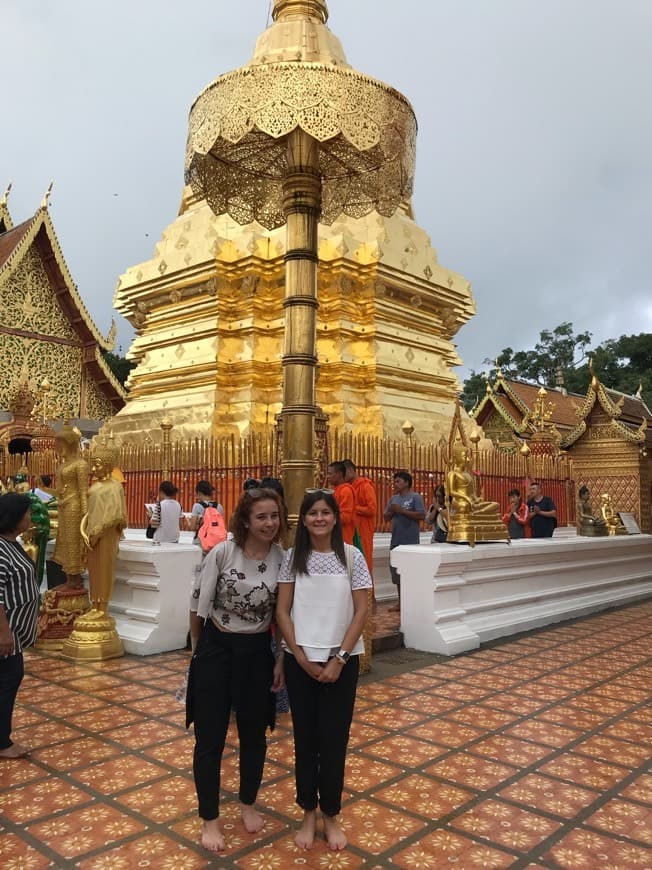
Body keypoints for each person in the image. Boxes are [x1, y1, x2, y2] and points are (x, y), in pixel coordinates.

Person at [188, 488, 286, 853]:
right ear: (245, 519)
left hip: (258, 651)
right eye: (261, 516)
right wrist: (198, 654)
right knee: (210, 736)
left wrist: (280, 658)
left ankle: (247, 803)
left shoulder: (282, 559)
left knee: (254, 734)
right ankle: (210, 818)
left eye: (274, 516)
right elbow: (198, 602)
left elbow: (284, 613)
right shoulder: (222, 553)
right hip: (217, 647)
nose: (269, 523)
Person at [276, 490, 371, 852]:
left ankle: (331, 813)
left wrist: (340, 658)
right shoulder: (291, 559)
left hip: (340, 663)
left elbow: (361, 610)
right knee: (306, 740)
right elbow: (283, 611)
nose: (319, 519)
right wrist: (298, 656)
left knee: (334, 741)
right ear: (303, 519)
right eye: (312, 513)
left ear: (335, 517)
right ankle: (307, 813)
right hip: (302, 662)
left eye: (325, 513)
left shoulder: (351, 556)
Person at [0, 493, 39, 759]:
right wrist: (3, 631)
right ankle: (2, 742)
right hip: (6, 633)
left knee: (8, 679)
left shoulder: (13, 544)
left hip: (14, 632)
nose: (30, 517)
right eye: (26, 513)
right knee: (9, 679)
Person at [384, 471, 425, 612]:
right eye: (394, 481)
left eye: (398, 481)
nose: (395, 484)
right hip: (396, 541)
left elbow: (421, 515)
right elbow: (386, 517)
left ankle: (412, 602)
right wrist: (392, 511)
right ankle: (401, 602)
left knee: (411, 573)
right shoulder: (393, 499)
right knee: (397, 573)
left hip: (411, 542)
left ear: (407, 482)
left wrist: (401, 511)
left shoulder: (415, 497)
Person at [343, 459, 377, 573]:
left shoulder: (365, 486)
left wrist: (353, 508)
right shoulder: (346, 488)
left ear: (351, 470)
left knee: (365, 563)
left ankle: (367, 591)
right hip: (352, 531)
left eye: (344, 473)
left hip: (363, 532)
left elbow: (371, 509)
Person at [326, 462, 355, 545]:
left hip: (343, 537)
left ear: (339, 474)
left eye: (330, 474)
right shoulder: (335, 490)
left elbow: (345, 517)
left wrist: (327, 518)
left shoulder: (346, 491)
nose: (328, 477)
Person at [189, 480, 223, 548]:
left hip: (201, 542)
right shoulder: (219, 506)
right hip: (216, 542)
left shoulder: (197, 506)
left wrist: (190, 522)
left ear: (199, 493)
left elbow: (192, 528)